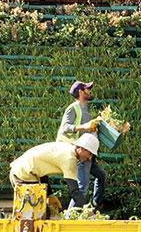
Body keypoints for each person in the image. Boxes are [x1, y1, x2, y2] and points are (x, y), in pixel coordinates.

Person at [9, 134, 99, 208]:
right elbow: (74, 191)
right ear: (81, 149)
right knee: (32, 214)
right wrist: (85, 209)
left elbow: (42, 169)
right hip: (23, 174)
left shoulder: (67, 148)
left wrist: (50, 195)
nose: (89, 158)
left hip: (23, 171)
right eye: (90, 153)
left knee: (41, 212)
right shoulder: (69, 158)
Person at [56, 80, 107, 208]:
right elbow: (65, 128)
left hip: (88, 151)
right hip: (79, 152)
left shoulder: (86, 110)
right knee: (82, 188)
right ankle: (69, 217)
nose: (90, 91)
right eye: (87, 89)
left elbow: (87, 130)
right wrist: (84, 126)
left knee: (101, 176)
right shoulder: (73, 108)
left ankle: (95, 204)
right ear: (80, 92)